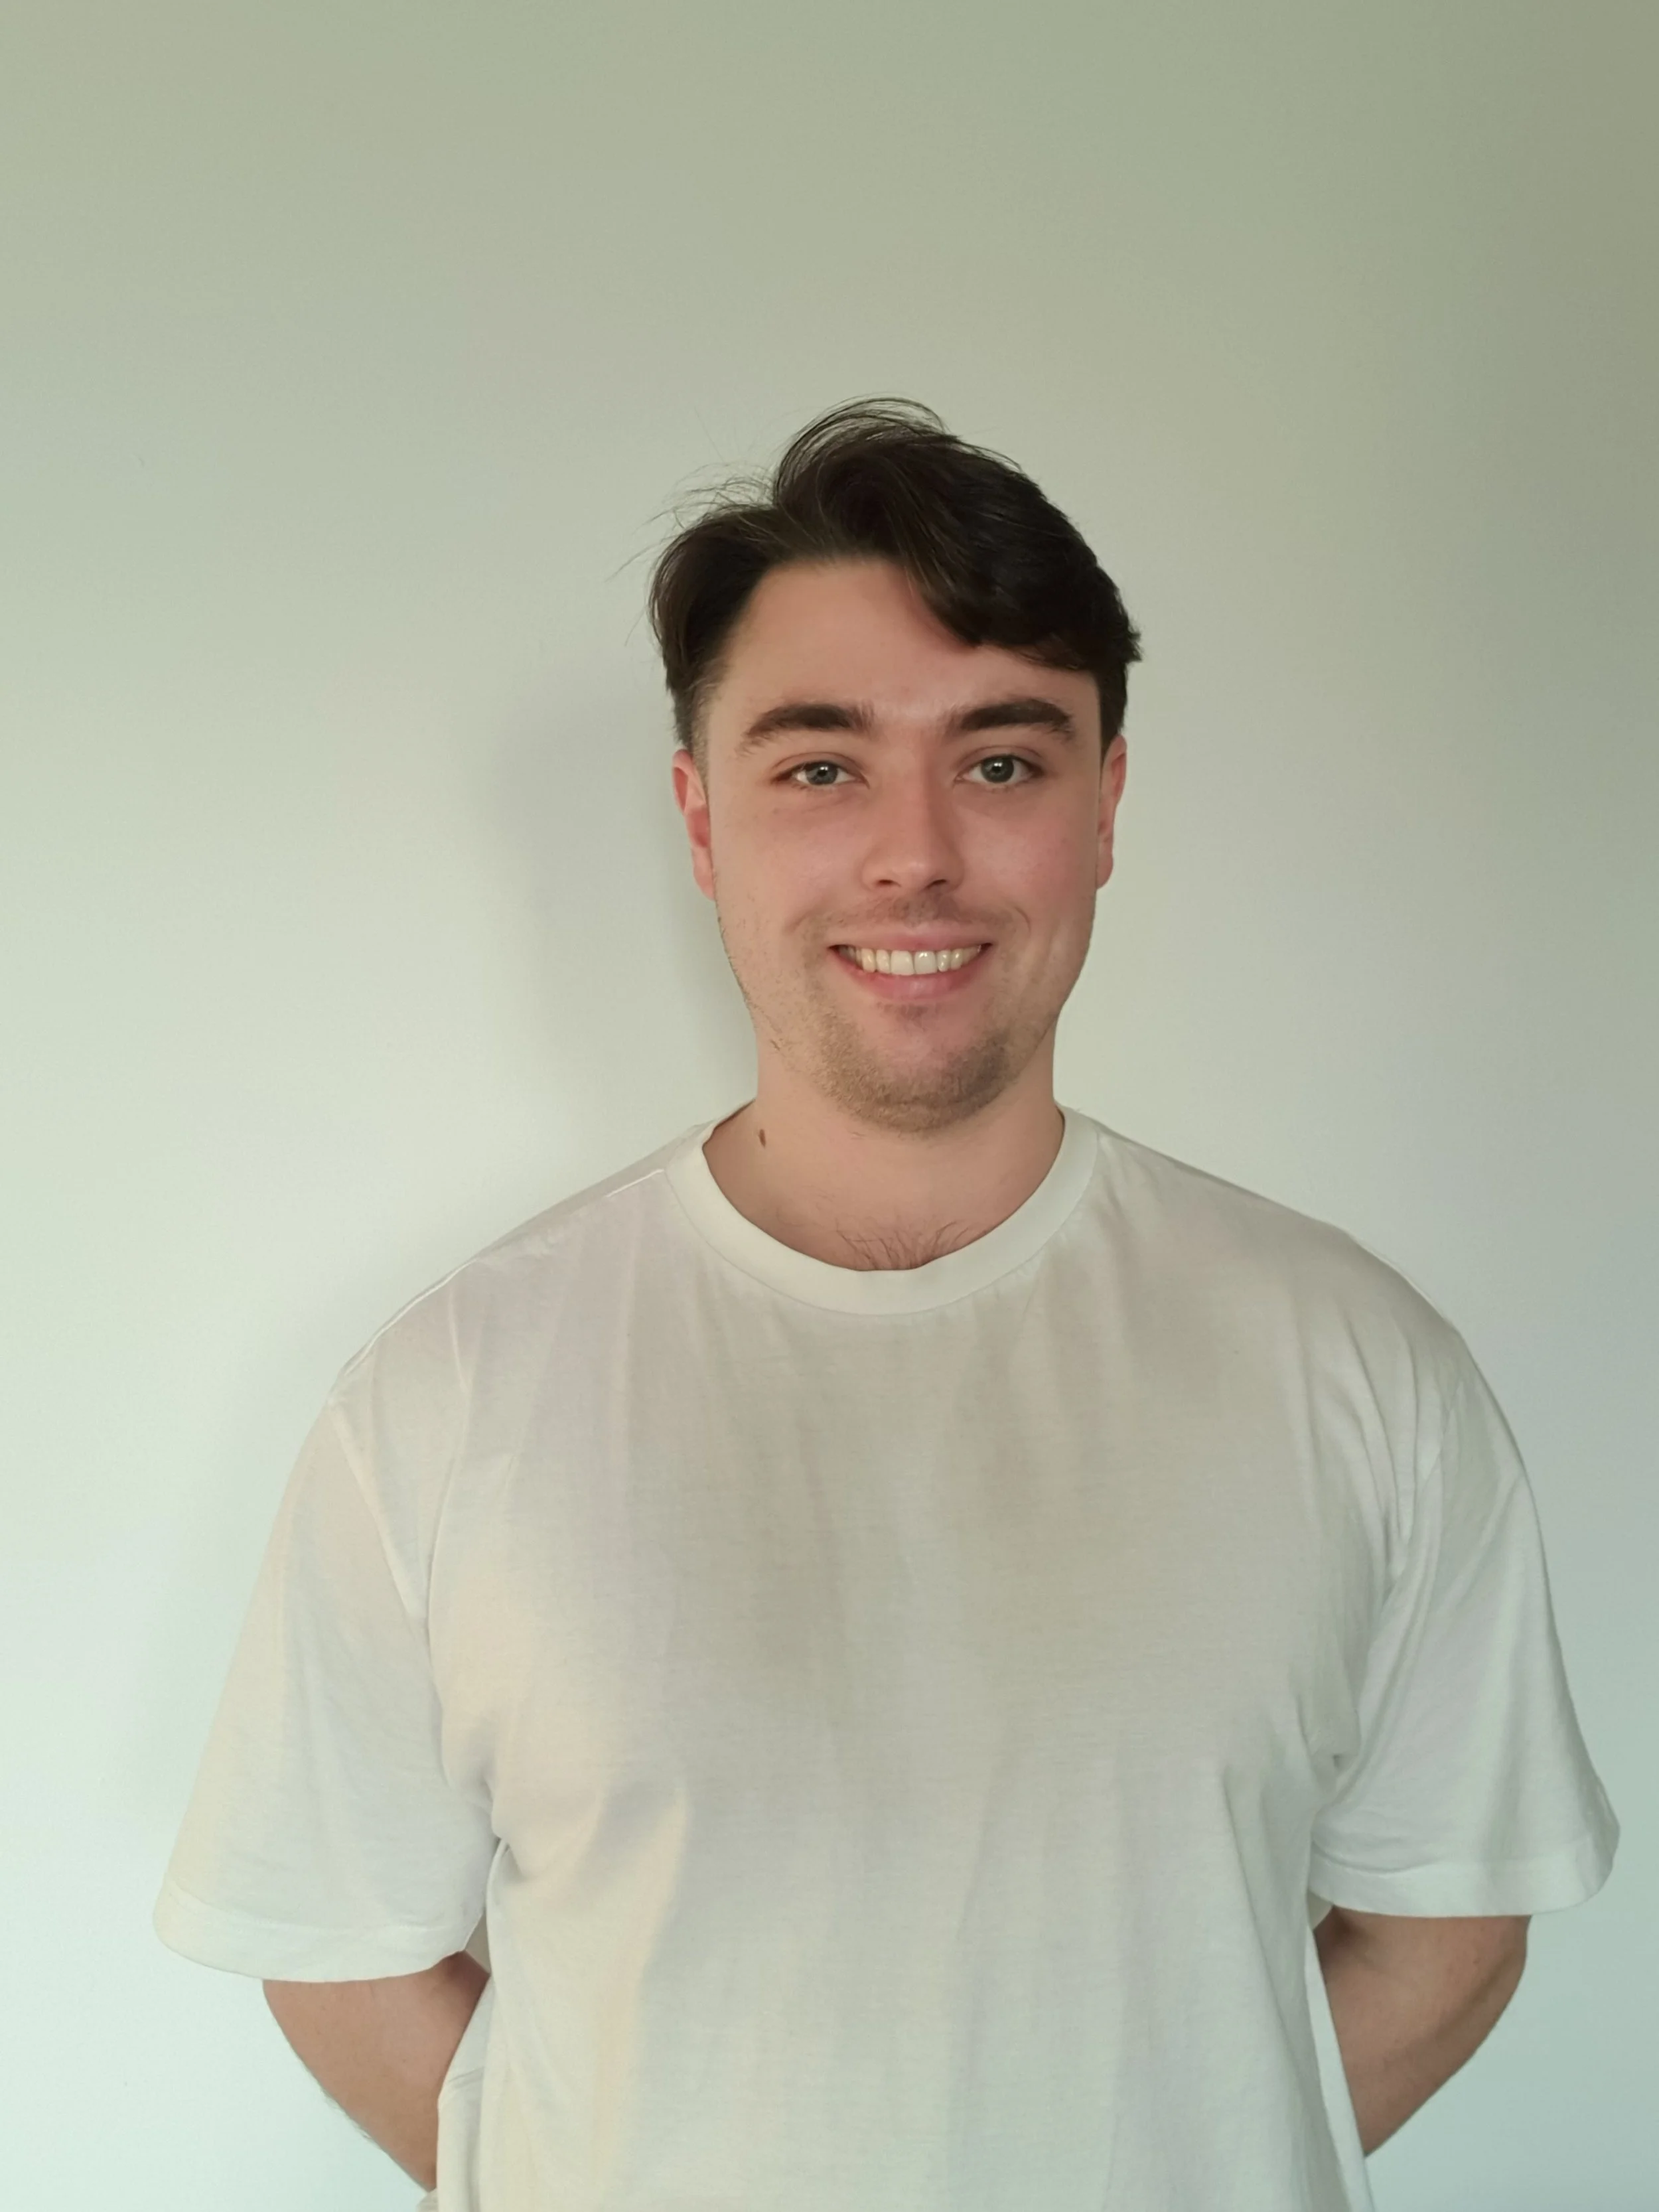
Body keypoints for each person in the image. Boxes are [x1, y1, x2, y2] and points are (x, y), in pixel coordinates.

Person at [154, 400, 1619, 2212]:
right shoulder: (451, 1391)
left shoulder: (1353, 1366)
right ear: (701, 819)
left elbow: (1445, 1922)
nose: (913, 855)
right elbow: (346, 1947)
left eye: (1001, 763)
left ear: (1104, 809)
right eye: (819, 766)